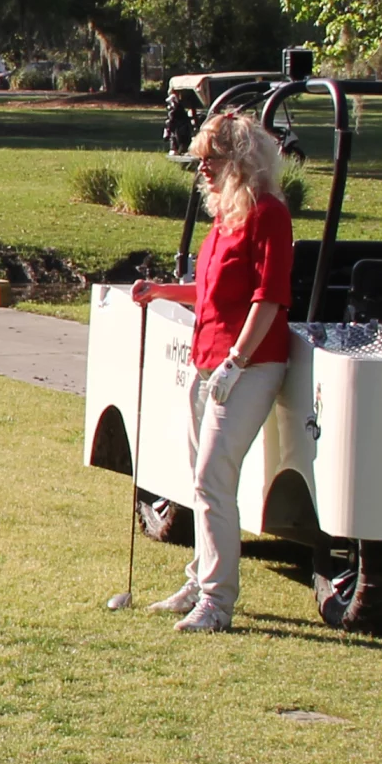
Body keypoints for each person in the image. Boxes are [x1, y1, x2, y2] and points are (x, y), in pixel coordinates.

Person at [127, 112, 293, 632]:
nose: (203, 170)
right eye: (200, 160)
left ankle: (217, 602)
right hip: (209, 358)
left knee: (212, 477)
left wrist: (237, 360)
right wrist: (161, 291)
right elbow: (211, 295)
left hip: (250, 364)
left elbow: (269, 298)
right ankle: (200, 579)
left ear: (239, 161)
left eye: (211, 160)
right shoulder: (226, 219)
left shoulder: (268, 215)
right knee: (201, 481)